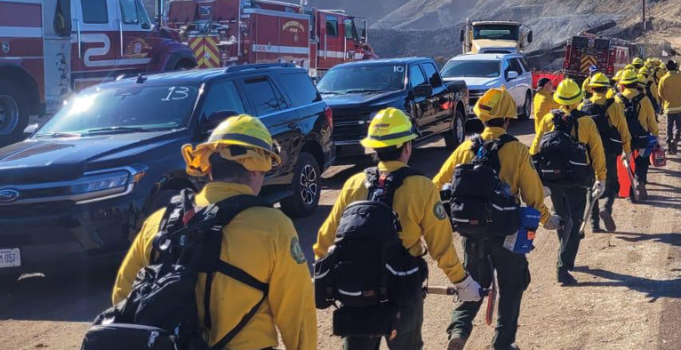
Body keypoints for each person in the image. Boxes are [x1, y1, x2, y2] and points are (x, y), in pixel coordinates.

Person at [112, 115, 317, 350]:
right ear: (257, 169)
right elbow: (296, 312)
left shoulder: (158, 223)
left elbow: (123, 294)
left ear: (208, 167)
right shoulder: (273, 227)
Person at [314, 108, 481, 350]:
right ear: (406, 147)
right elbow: (441, 248)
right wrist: (463, 282)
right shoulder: (422, 188)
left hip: (357, 291)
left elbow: (324, 241)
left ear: (374, 147)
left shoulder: (353, 184)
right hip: (402, 289)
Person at [434, 89, 557, 350]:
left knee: (472, 285)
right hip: (507, 232)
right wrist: (546, 219)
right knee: (513, 286)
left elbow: (438, 185)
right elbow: (533, 196)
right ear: (507, 120)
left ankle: (459, 330)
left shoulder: (466, 148)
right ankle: (503, 343)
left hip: (472, 233)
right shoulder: (516, 150)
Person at [530, 78, 607, 286]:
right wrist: (601, 177)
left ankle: (565, 251)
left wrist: (538, 179)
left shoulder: (548, 119)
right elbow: (597, 151)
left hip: (554, 180)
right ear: (578, 98)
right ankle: (563, 266)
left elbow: (535, 149)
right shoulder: (586, 121)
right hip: (578, 180)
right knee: (575, 222)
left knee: (562, 218)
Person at [580, 72, 632, 233]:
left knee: (591, 186)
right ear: (606, 88)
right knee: (612, 184)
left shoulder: (583, 105)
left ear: (592, 88)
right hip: (608, 151)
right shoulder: (614, 105)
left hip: (589, 153)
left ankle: (594, 224)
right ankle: (606, 208)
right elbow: (624, 130)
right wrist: (627, 151)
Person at [614, 68, 658, 202]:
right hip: (641, 138)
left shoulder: (616, 99)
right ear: (636, 83)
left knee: (624, 163)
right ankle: (640, 182)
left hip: (622, 138)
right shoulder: (644, 100)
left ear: (622, 84)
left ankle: (624, 189)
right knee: (642, 161)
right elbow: (652, 120)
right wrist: (655, 136)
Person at [657, 60, 681, 154]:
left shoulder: (663, 79)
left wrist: (666, 100)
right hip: (680, 106)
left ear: (667, 68)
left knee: (669, 126)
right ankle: (675, 140)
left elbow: (660, 93)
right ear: (675, 67)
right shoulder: (680, 76)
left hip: (668, 107)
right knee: (678, 126)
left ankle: (669, 146)